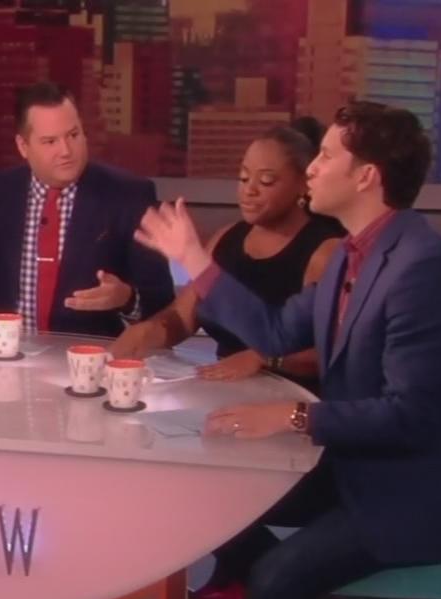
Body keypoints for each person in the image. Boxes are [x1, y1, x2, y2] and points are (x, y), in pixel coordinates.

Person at [135, 101, 441, 599]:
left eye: (326, 156)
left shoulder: (423, 267)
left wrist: (295, 417)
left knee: (277, 580)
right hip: (358, 464)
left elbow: (413, 415)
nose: (314, 167)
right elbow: (274, 331)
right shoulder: (353, 254)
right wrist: (193, 259)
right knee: (209, 484)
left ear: (366, 176)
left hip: (412, 491)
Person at [111, 120, 345, 399]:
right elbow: (182, 317)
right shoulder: (226, 238)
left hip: (291, 403)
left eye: (266, 181)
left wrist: (263, 359)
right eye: (244, 178)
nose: (250, 190)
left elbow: (333, 353)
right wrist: (148, 332)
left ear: (303, 185)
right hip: (222, 394)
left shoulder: (325, 252)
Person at [0, 81, 174, 337]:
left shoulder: (129, 196)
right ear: (23, 146)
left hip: (91, 355)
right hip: (7, 354)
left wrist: (126, 298)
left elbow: (162, 303)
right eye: (50, 141)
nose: (66, 151)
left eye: (73, 135)